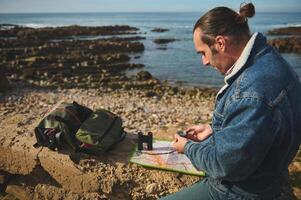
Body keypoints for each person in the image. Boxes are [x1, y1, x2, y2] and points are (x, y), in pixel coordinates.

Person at [161, 3, 301, 200]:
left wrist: (188, 147)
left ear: (220, 43)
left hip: (240, 192)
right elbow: (260, 128)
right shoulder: (272, 61)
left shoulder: (250, 92)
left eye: (203, 53)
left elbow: (224, 166)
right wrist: (213, 130)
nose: (205, 62)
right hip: (271, 175)